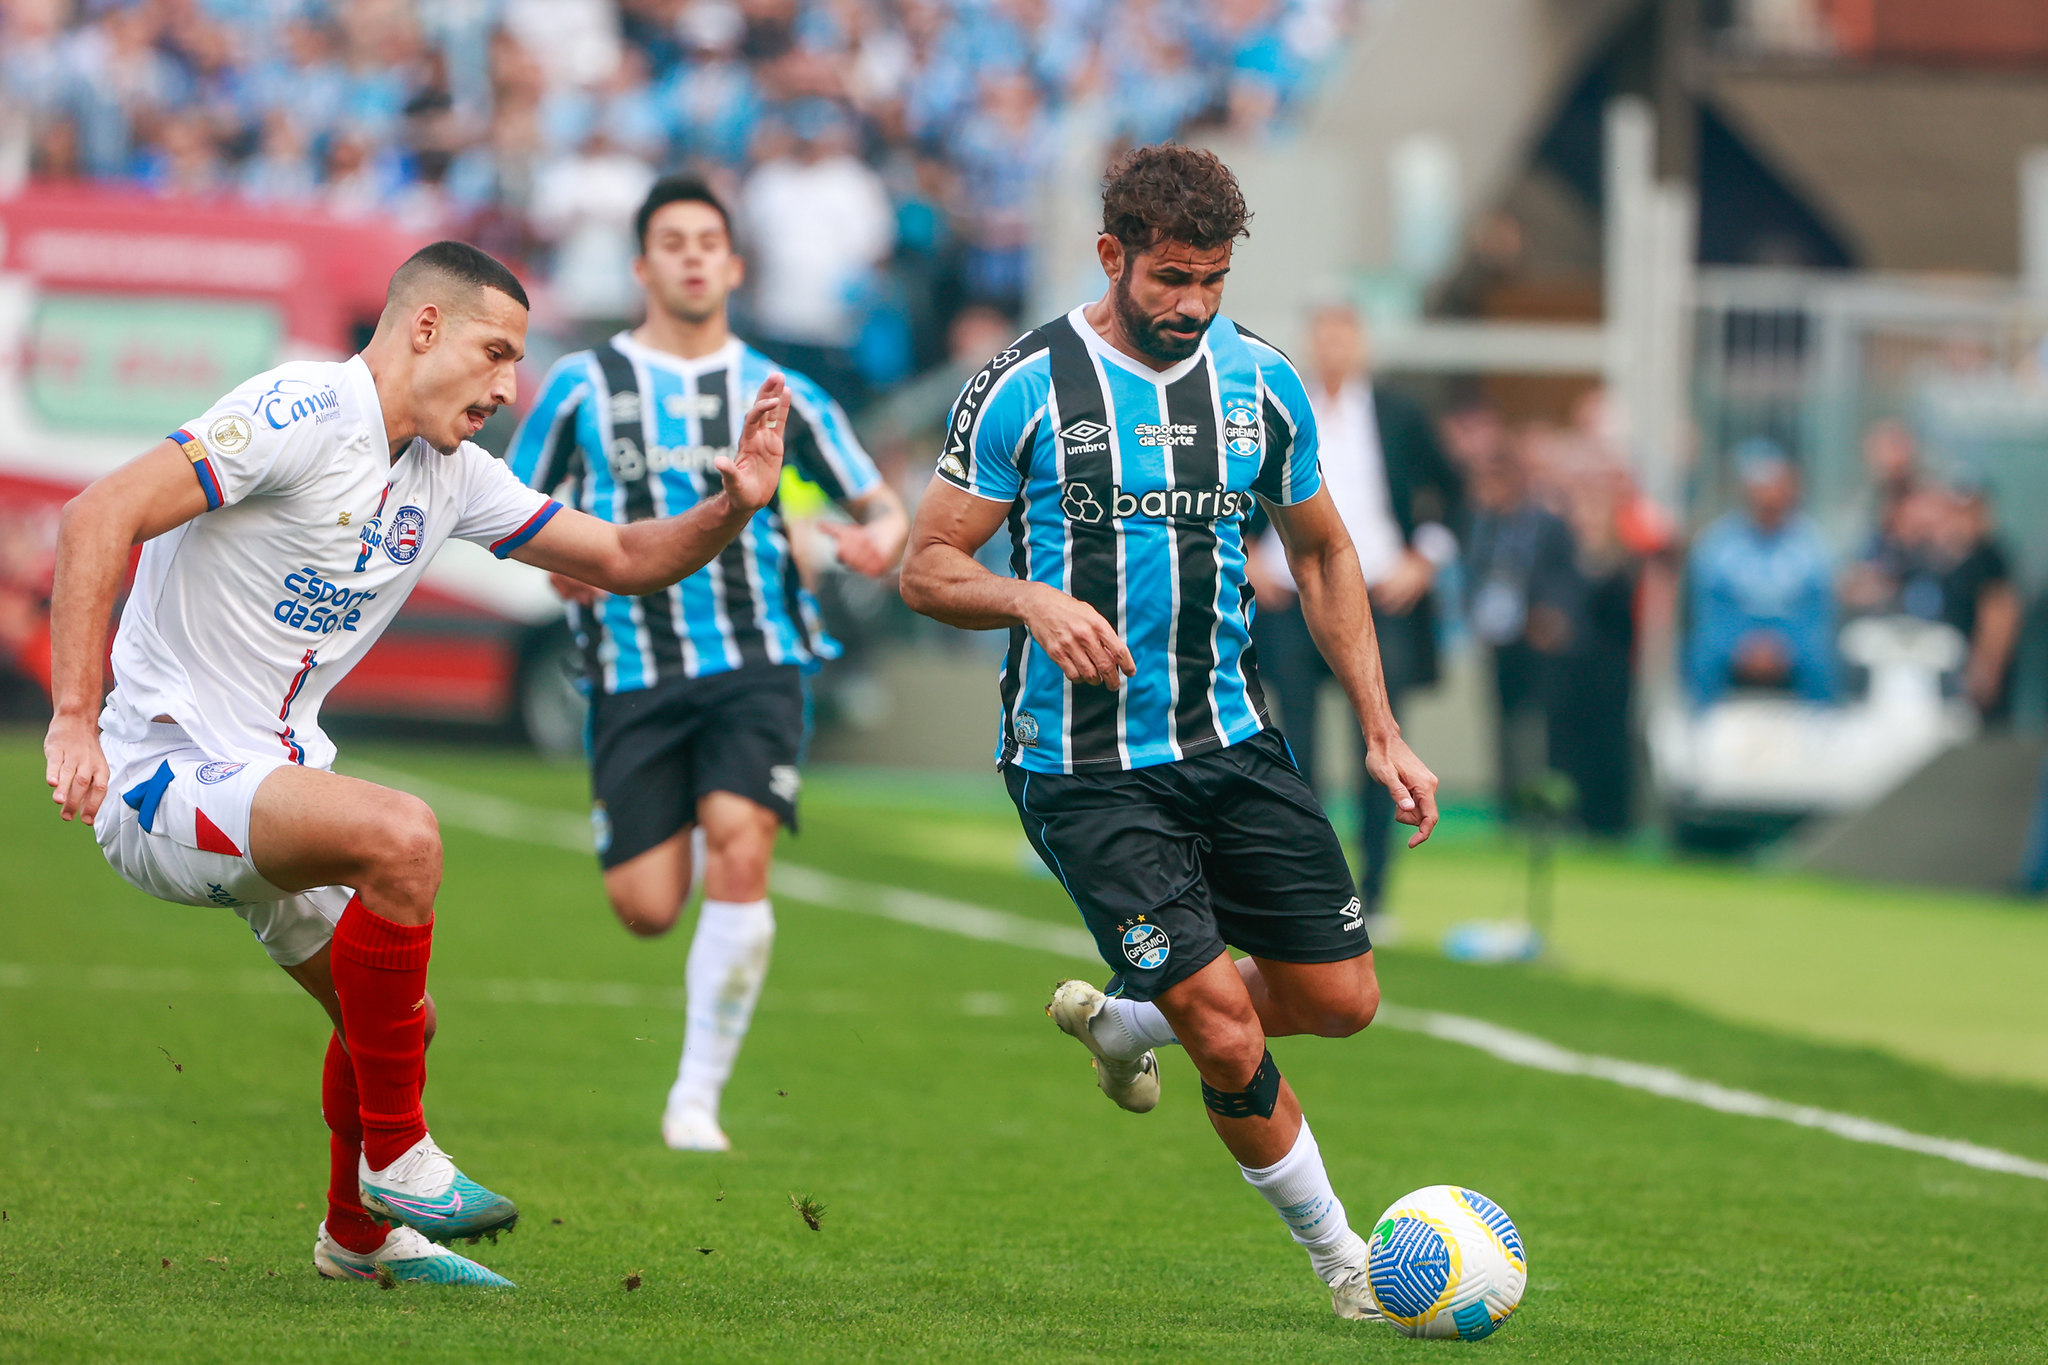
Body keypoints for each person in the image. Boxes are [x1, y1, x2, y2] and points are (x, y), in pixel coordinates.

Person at [42, 241, 790, 1288]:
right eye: (494, 353)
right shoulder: (298, 412)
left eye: (517, 363)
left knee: (396, 1020)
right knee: (403, 837)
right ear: (423, 327)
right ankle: (400, 1157)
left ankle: (357, 1237)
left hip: (270, 786)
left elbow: (620, 559)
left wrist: (734, 507)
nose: (507, 385)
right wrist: (75, 718)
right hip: (160, 776)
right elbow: (97, 514)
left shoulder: (450, 473)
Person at [899, 144, 1439, 1324]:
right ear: (1113, 256)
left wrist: (1383, 732)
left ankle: (1124, 1019)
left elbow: (1324, 552)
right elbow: (924, 566)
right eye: (1169, 280)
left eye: (1212, 280)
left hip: (1230, 740)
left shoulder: (1259, 384)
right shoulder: (1024, 384)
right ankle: (1348, 1268)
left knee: (1342, 997)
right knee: (1222, 1022)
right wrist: (1032, 599)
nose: (1192, 305)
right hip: (1081, 769)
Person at [507, 175, 907, 1154]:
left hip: (757, 656)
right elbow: (504, 507)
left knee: (742, 843)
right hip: (631, 668)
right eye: (671, 242)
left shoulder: (779, 391)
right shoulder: (581, 386)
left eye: (707, 242)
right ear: (642, 266)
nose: (690, 256)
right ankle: (680, 814)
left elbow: (880, 505)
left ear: (732, 266)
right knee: (644, 909)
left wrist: (875, 542)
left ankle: (696, 1097)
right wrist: (561, 567)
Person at [1246, 302, 1461, 927]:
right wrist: (1247, 555)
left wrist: (1425, 558)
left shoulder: (1398, 415)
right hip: (1290, 598)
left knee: (1381, 743)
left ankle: (1375, 893)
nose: (1335, 347)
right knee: (1296, 745)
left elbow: (1455, 491)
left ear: (1361, 343)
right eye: (1324, 335)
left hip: (1376, 598)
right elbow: (1230, 486)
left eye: (1345, 336)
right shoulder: (1278, 408)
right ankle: (1312, 891)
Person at [1461, 444, 1583, 820]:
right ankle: (1509, 803)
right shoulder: (1482, 526)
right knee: (1503, 722)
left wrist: (1552, 615)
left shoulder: (1546, 525)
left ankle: (1545, 804)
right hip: (1500, 640)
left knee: (1540, 724)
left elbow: (1566, 577)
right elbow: (1473, 577)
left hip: (1539, 641)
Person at [1687, 441, 1837, 705]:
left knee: (1821, 658)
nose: (1768, 497)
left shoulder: (1811, 543)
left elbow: (1817, 608)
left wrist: (1783, 648)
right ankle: (1702, 729)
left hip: (1792, 633)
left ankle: (1821, 727)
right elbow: (1710, 608)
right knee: (1702, 655)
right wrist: (1742, 646)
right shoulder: (1718, 542)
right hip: (1736, 630)